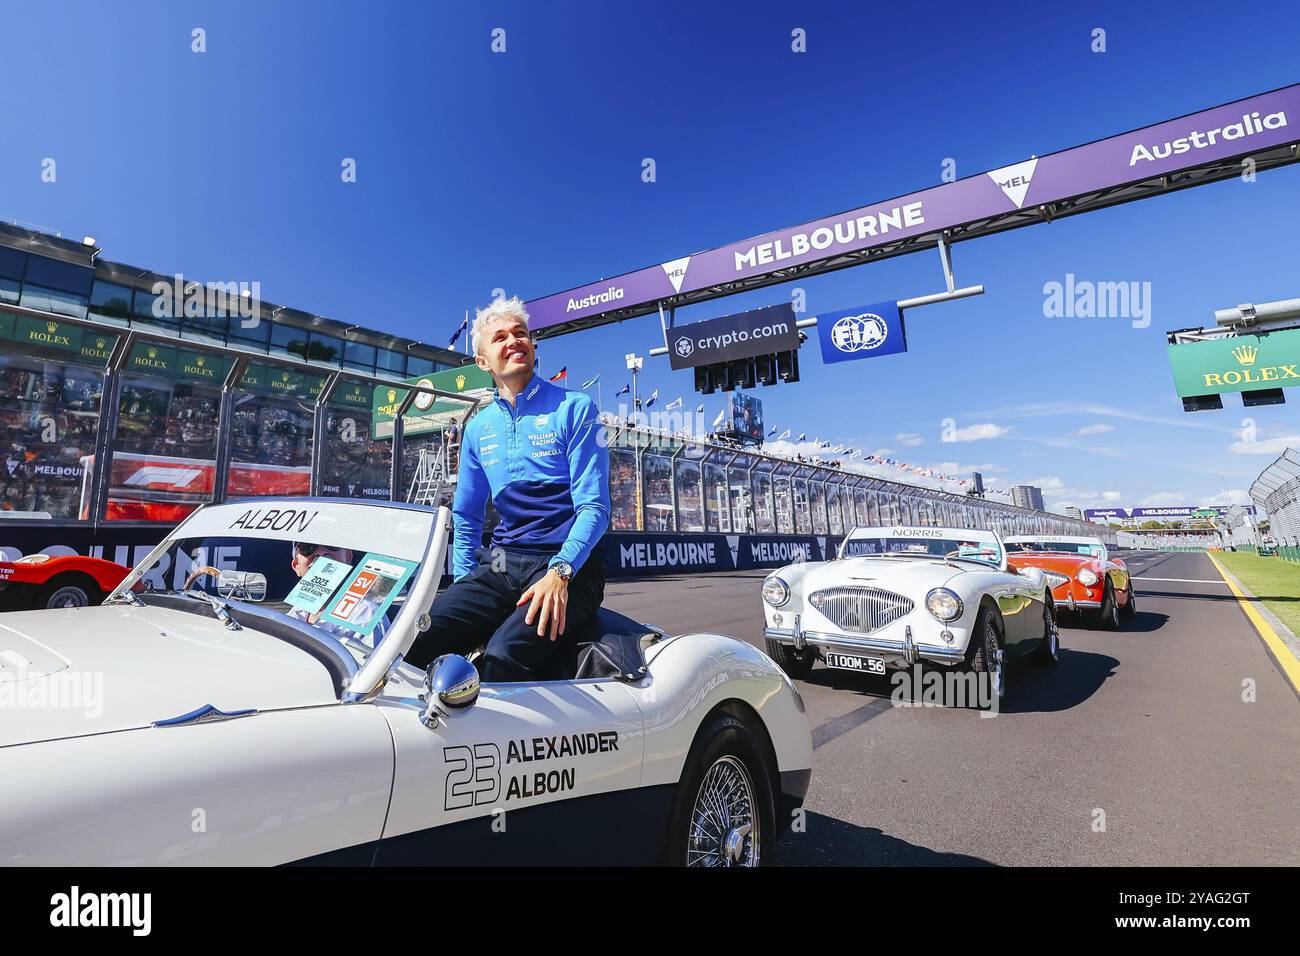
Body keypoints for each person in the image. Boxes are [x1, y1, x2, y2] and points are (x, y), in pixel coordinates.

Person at [406, 295, 609, 681]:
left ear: (533, 347)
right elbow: (465, 516)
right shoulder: (478, 428)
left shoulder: (577, 408)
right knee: (411, 640)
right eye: (500, 337)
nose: (514, 341)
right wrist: (465, 583)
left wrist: (560, 572)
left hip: (567, 566)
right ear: (483, 362)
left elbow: (595, 508)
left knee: (500, 657)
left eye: (521, 333)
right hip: (500, 565)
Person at [286, 542, 389, 648]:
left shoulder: (366, 613)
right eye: (307, 548)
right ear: (297, 566)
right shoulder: (297, 610)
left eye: (332, 545)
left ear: (348, 557)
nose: (321, 554)